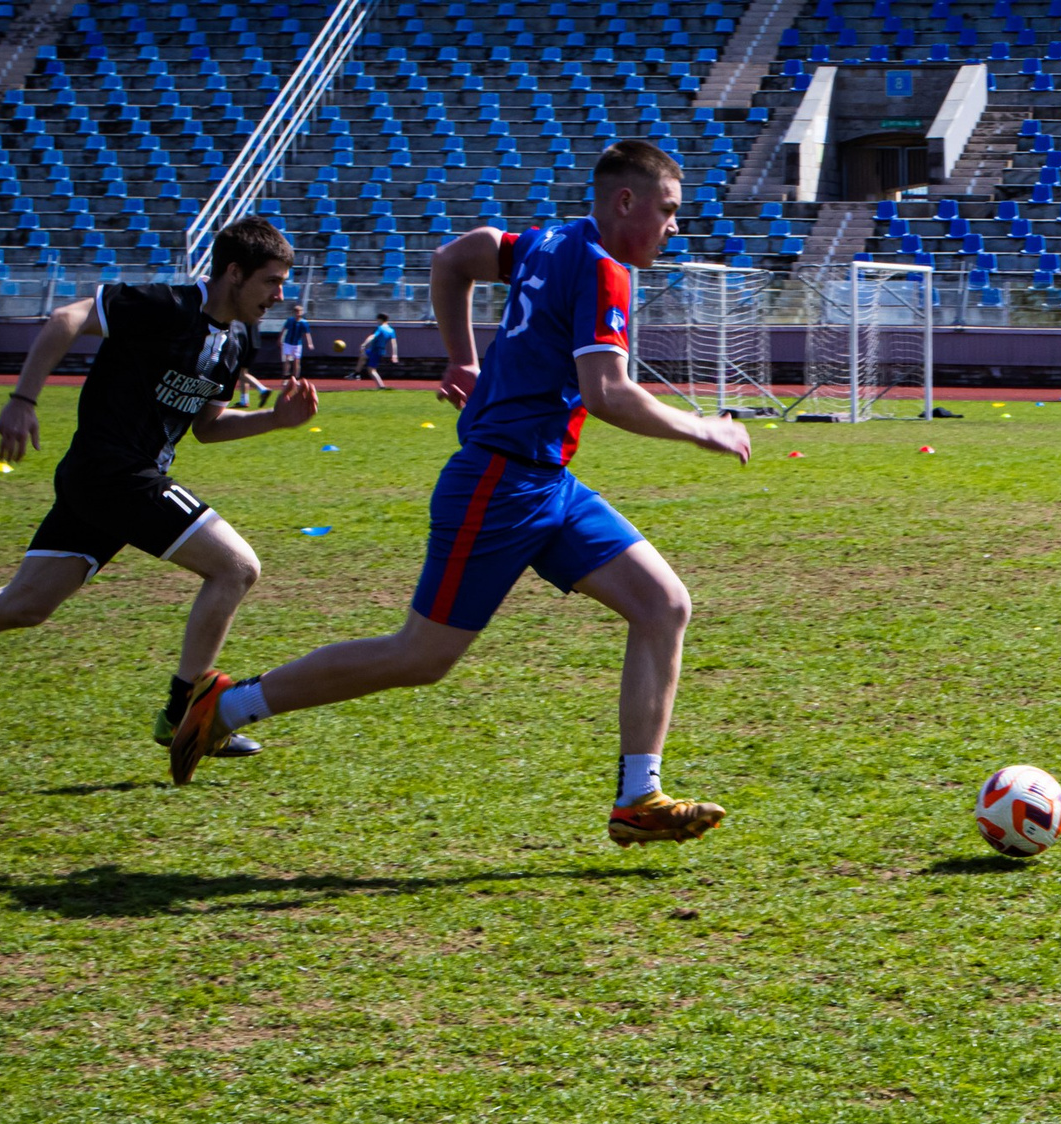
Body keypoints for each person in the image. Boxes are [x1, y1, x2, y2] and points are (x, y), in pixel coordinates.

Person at [165, 140, 754, 850]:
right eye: (668, 210)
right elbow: (608, 394)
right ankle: (225, 705)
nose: (674, 227)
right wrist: (703, 430)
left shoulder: (545, 242)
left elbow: (454, 257)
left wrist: (462, 356)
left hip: (544, 481)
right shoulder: (604, 270)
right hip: (500, 485)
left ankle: (639, 798)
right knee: (420, 656)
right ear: (625, 202)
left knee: (664, 604)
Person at [0, 218, 316, 752]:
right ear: (234, 272)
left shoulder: (236, 341)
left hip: (111, 480)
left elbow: (208, 428)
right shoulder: (164, 305)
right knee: (236, 568)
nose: (280, 295)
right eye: (272, 281)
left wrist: (275, 421)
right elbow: (66, 317)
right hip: (113, 471)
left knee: (24, 604)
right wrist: (22, 401)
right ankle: (185, 713)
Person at [359, 312, 397, 387]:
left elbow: (372, 336)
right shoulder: (391, 330)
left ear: (380, 319)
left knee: (371, 370)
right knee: (363, 355)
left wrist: (364, 343)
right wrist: (394, 354)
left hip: (376, 351)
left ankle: (381, 386)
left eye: (377, 320)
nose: (377, 322)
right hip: (377, 350)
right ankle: (356, 373)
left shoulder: (380, 328)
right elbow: (394, 343)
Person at [279, 299, 312, 382]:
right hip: (288, 342)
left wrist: (309, 343)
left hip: (297, 344)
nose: (298, 313)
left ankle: (296, 378)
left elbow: (307, 334)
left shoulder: (304, 323)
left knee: (297, 361)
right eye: (296, 312)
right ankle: (285, 377)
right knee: (287, 359)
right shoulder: (290, 320)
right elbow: (283, 329)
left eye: (299, 311)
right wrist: (280, 339)